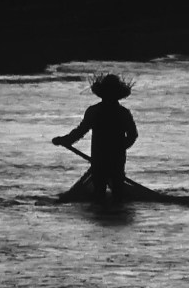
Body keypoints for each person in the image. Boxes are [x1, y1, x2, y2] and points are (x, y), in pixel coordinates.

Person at [53, 72, 138, 201]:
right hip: (113, 158)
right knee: (116, 191)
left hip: (102, 158)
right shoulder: (122, 112)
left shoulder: (96, 111)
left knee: (101, 192)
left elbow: (80, 131)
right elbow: (133, 135)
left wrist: (65, 140)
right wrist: (120, 148)